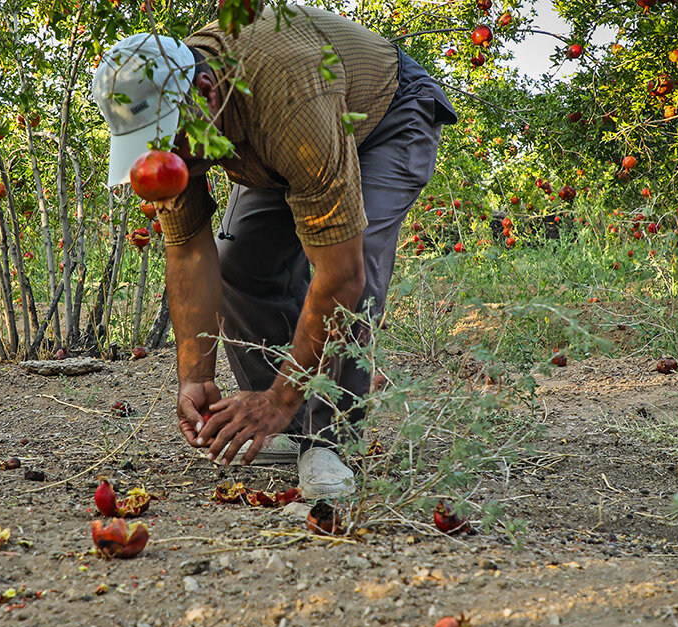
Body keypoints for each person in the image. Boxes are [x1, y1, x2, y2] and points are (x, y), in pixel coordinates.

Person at [92, 3, 455, 499]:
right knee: (240, 263)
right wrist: (194, 377)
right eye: (149, 148)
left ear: (206, 93)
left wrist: (281, 398)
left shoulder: (289, 96)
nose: (164, 159)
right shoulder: (177, 142)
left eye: (169, 141)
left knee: (359, 264)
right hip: (277, 141)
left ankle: (326, 439)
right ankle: (289, 426)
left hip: (383, 114)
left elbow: (341, 275)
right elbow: (189, 254)